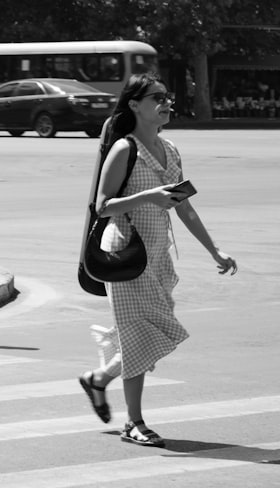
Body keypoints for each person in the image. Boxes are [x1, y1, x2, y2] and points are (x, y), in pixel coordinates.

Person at [77, 73, 238, 447]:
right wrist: (149, 195)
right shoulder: (124, 149)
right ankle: (134, 423)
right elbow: (102, 205)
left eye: (168, 97)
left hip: (158, 259)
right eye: (157, 97)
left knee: (151, 334)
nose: (167, 103)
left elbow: (185, 207)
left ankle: (98, 380)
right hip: (126, 257)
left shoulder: (171, 149)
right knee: (138, 337)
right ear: (134, 105)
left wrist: (215, 250)